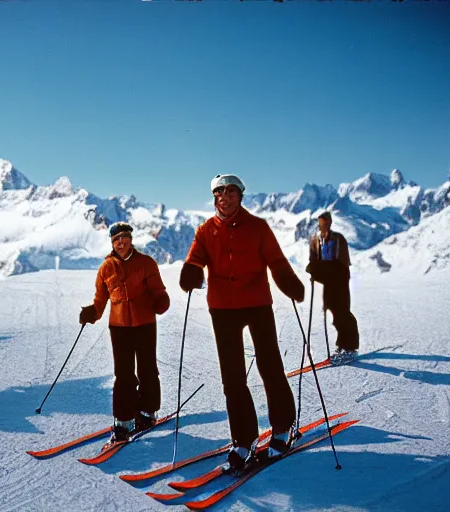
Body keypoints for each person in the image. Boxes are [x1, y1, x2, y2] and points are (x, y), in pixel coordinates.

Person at [179, 174, 305, 472]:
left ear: (241, 196)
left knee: (270, 366)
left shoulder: (258, 227)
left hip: (258, 304)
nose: (226, 197)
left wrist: (289, 282)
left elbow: (276, 261)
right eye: (220, 192)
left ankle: (283, 428)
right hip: (222, 309)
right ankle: (243, 440)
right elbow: (195, 257)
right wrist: (191, 271)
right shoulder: (205, 230)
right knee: (233, 377)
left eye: (232, 192)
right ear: (214, 198)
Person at [79, 222, 170, 443]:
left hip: (145, 323)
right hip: (119, 327)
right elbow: (100, 299)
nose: (121, 242)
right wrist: (92, 312)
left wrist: (161, 300)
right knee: (123, 374)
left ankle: (147, 412)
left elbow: (159, 290)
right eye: (116, 238)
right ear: (112, 242)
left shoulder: (146, 263)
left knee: (147, 368)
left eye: (125, 237)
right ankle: (124, 419)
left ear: (131, 239)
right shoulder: (106, 268)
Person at [306, 211, 359, 364]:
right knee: (335, 314)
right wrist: (315, 270)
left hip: (339, 279)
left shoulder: (337, 239)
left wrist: (320, 268)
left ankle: (350, 347)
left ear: (330, 222)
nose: (323, 226)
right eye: (321, 223)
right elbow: (314, 258)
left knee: (342, 312)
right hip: (328, 281)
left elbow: (341, 263)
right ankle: (343, 345)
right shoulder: (316, 240)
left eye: (326, 223)